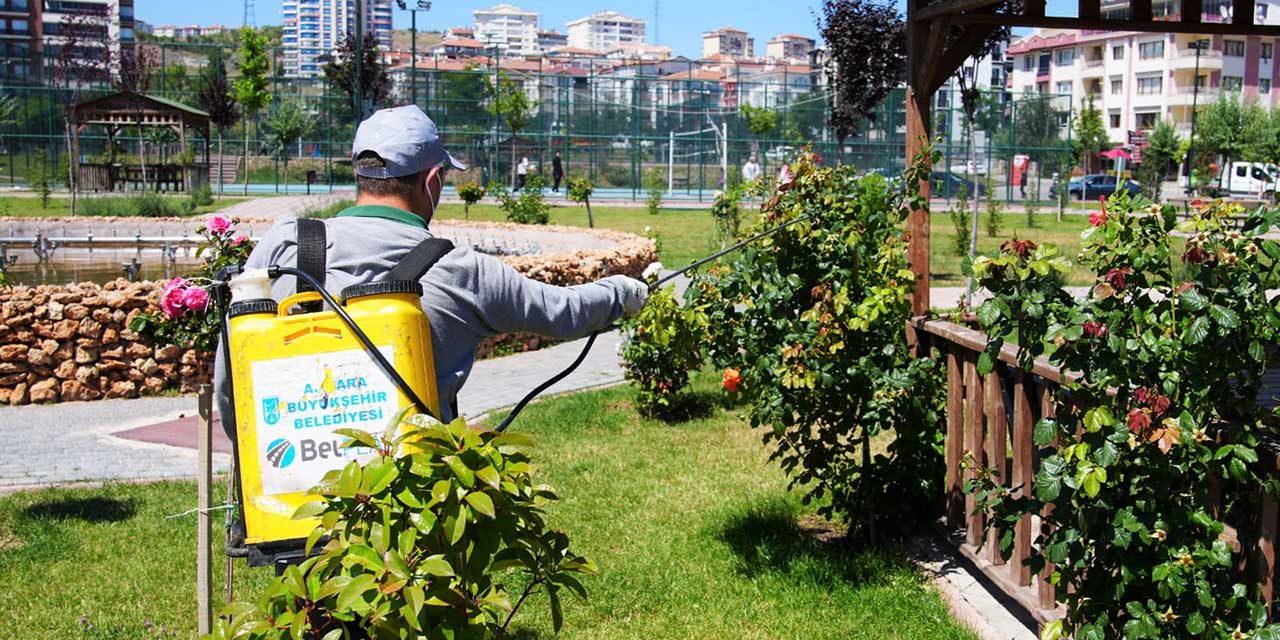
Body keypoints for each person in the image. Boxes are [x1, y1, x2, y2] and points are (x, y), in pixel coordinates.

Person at [214, 105, 650, 432]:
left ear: (361, 175)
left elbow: (231, 375)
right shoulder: (461, 270)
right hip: (410, 505)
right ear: (432, 181)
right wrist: (625, 293)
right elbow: (563, 312)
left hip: (292, 499)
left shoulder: (287, 242)